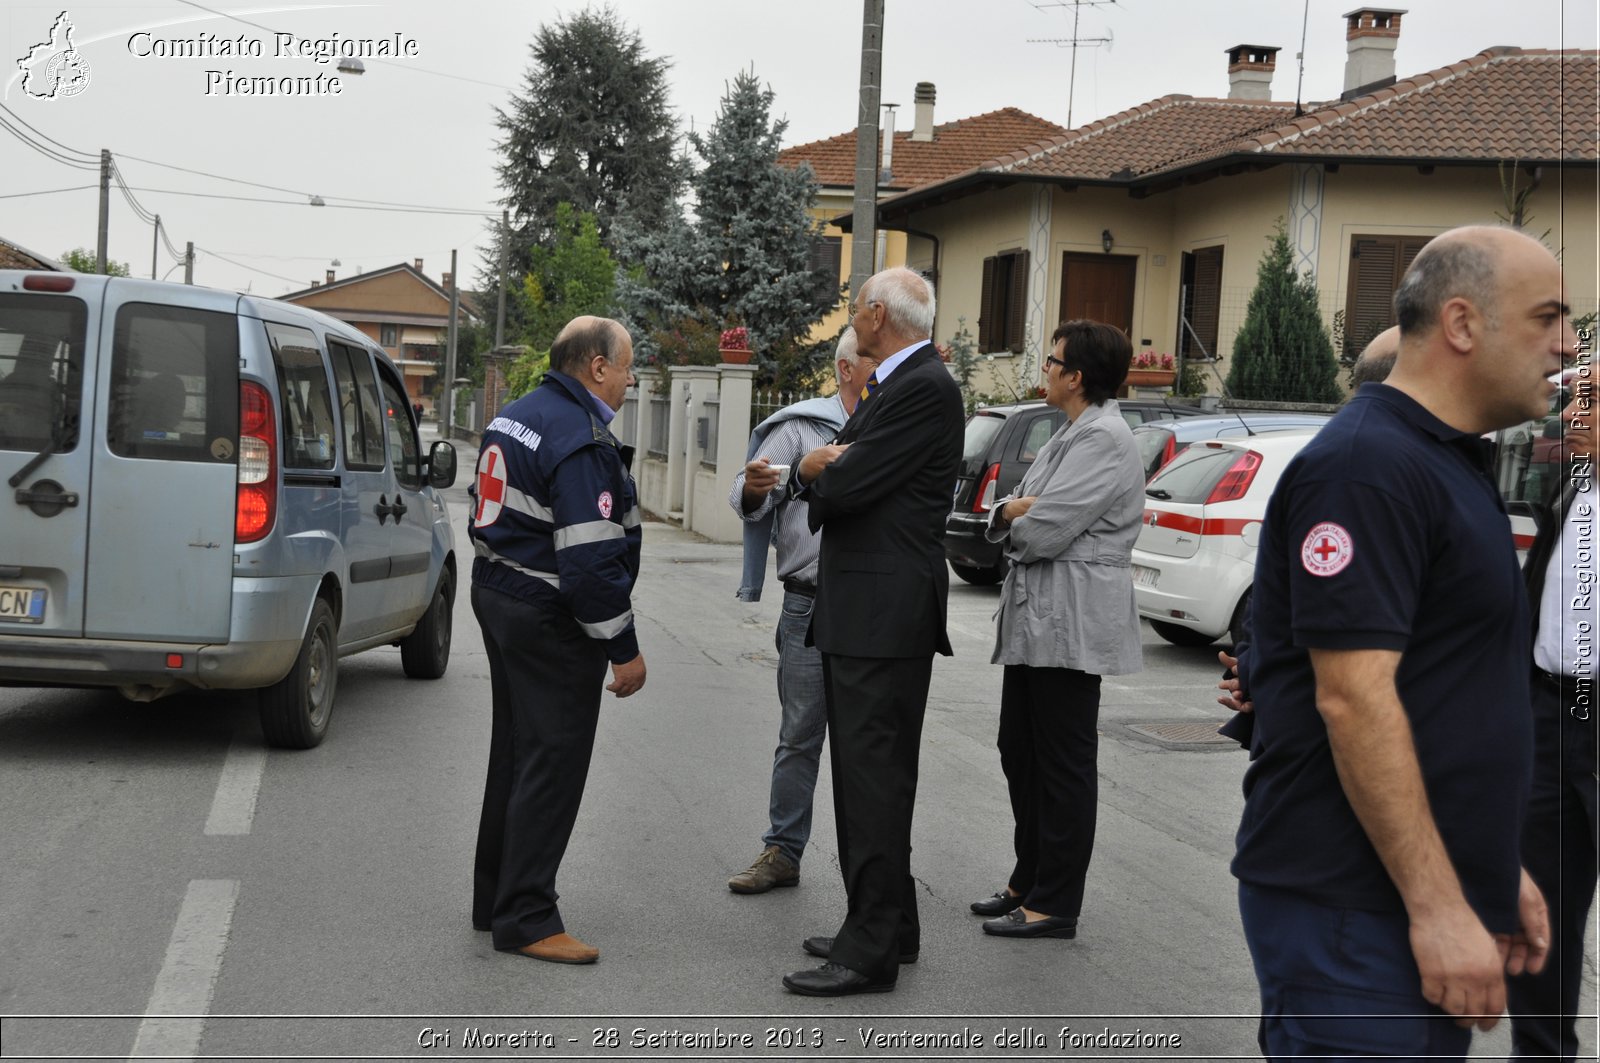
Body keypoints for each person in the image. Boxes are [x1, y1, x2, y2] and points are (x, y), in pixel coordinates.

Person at [1232, 225, 1569, 1057]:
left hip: (1402, 900)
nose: (1569, 345)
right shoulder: (1367, 468)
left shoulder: (1443, 460)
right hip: (1357, 909)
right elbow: (1354, 698)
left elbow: (1448, 691)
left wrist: (1493, 871)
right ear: (1462, 323)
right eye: (1550, 317)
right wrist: (1440, 905)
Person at [780, 267, 963, 996]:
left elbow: (849, 481)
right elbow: (841, 467)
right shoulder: (900, 380)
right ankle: (888, 921)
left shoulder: (920, 385)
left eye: (856, 308)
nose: (850, 317)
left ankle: (869, 948)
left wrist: (816, 473)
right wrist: (822, 468)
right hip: (871, 611)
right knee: (870, 780)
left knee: (873, 782)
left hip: (883, 616)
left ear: (879, 313)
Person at [468, 315, 645, 966]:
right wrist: (622, 647)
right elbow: (591, 559)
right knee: (553, 761)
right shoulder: (580, 436)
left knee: (516, 754)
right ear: (597, 366)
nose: (631, 380)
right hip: (546, 610)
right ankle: (528, 915)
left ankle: (496, 898)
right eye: (628, 367)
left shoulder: (515, 413)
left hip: (497, 590)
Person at [972, 320, 1145, 940]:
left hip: (1070, 618)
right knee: (1019, 748)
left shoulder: (1103, 439)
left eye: (1051, 361)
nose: (1043, 368)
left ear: (1076, 377)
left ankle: (1056, 902)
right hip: (1039, 614)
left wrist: (1019, 512)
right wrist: (1016, 510)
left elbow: (1041, 528)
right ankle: (1029, 877)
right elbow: (1011, 508)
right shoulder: (1068, 432)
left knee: (1063, 761)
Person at [726, 328, 876, 894]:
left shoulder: (892, 419)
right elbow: (745, 489)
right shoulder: (798, 427)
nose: (882, 364)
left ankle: (868, 867)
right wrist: (766, 484)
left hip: (871, 603)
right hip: (808, 603)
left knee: (866, 743)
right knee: (799, 734)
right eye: (871, 357)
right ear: (845, 368)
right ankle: (782, 851)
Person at [1217, 323, 1401, 728]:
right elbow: (1325, 623)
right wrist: (1253, 670)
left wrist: (1251, 669)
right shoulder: (1354, 464)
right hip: (1320, 737)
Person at [1509, 369, 1599, 1061]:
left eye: (1591, 401)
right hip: (1549, 714)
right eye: (1574, 396)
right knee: (1543, 907)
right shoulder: (1574, 485)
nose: (1572, 411)